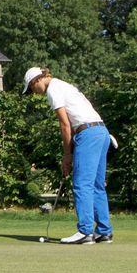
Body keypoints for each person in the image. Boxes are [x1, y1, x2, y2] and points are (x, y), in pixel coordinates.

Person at [22, 67, 113, 245]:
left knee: (82, 184)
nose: (35, 93)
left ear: (36, 81)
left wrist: (67, 155)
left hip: (87, 134)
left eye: (32, 89)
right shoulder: (64, 85)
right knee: (96, 185)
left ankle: (85, 231)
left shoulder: (53, 90)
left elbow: (65, 125)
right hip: (101, 132)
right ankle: (103, 232)